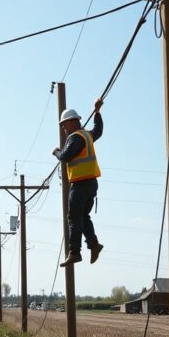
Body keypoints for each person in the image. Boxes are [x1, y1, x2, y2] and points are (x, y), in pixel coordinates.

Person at [54, 99, 104, 267]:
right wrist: (97, 112)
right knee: (83, 216)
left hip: (81, 185)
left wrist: (56, 152)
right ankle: (94, 245)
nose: (63, 128)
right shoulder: (87, 135)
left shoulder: (75, 138)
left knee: (74, 218)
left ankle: (74, 252)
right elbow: (98, 131)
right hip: (91, 184)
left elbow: (66, 156)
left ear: (73, 121)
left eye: (64, 124)